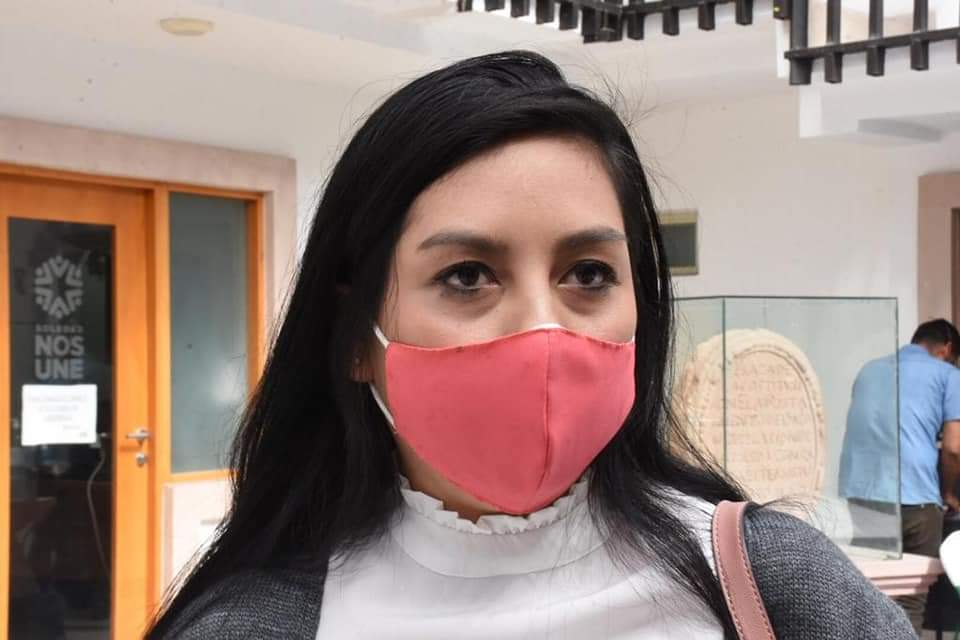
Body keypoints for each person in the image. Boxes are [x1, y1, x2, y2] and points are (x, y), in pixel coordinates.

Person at [146, 51, 913, 639]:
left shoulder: (775, 587)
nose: (542, 331)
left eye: (588, 273)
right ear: (356, 338)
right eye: (467, 276)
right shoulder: (254, 624)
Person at [840, 318, 960, 633]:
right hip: (917, 497)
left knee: (872, 594)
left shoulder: (869, 369)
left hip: (863, 496)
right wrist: (948, 494)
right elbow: (953, 447)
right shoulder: (948, 374)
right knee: (911, 601)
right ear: (946, 349)